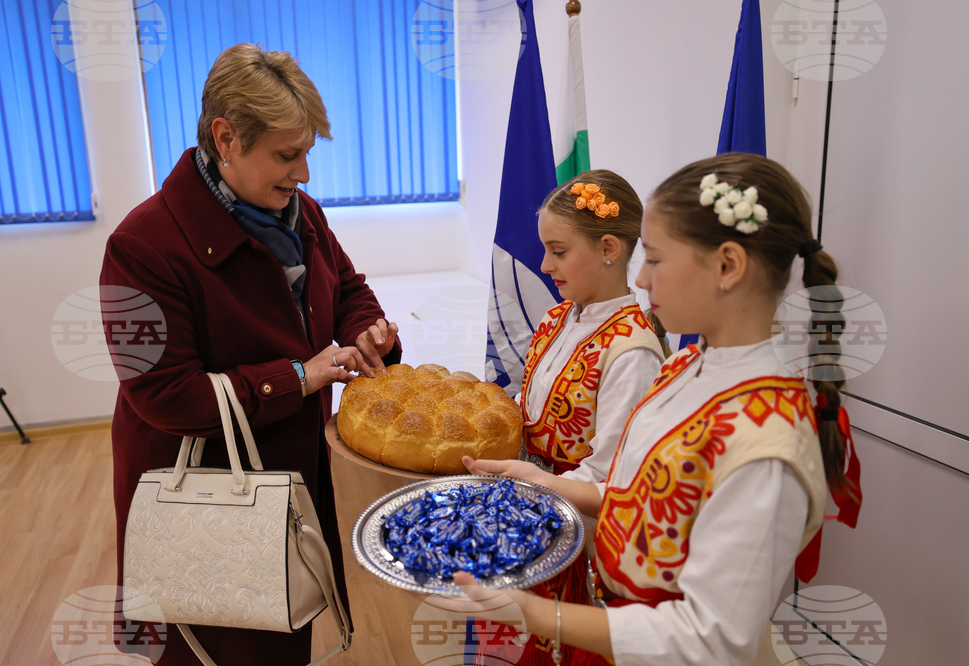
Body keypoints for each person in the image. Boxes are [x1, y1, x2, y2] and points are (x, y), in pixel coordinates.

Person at [462, 152, 857, 665]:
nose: (642, 280)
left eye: (653, 258)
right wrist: (546, 482)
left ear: (727, 266)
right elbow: (642, 501)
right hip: (612, 617)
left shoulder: (768, 444)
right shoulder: (687, 367)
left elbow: (712, 639)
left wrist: (538, 616)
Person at [100, 44, 400, 665]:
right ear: (226, 137)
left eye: (308, 153)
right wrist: (298, 376)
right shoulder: (139, 245)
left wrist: (370, 330)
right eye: (288, 155)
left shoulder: (299, 210)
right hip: (198, 496)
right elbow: (161, 394)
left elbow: (347, 289)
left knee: (281, 632)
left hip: (286, 479)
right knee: (208, 642)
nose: (305, 174)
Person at [508, 170, 669, 663]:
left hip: (576, 537)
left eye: (558, 252)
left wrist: (534, 494)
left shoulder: (631, 351)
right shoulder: (557, 318)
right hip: (528, 514)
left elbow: (611, 476)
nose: (544, 264)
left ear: (608, 249)